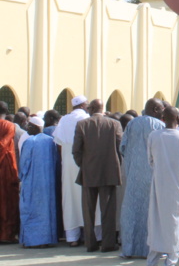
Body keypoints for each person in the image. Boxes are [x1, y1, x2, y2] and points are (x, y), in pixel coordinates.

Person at [146, 106, 179, 266]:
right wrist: (178, 174)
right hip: (177, 186)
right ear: (177, 119)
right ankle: (170, 263)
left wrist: (161, 171)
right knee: (175, 220)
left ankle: (151, 262)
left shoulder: (154, 136)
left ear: (163, 118)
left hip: (158, 184)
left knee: (156, 220)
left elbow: (150, 160)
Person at [72, 99, 123, 252]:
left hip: (89, 172)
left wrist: (84, 164)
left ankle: (90, 243)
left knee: (88, 210)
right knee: (108, 210)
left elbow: (76, 150)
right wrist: (115, 165)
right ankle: (107, 244)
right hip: (109, 172)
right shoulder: (114, 124)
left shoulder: (82, 125)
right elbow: (120, 147)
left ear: (92, 108)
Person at [120, 98, 165, 258]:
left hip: (133, 177)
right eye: (161, 109)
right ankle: (150, 250)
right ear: (154, 109)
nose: (163, 112)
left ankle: (129, 249)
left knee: (132, 213)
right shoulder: (159, 126)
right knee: (151, 212)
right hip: (153, 176)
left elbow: (122, 147)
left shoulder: (132, 124)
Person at [52, 95, 93, 246]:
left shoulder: (64, 120)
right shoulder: (87, 118)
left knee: (69, 198)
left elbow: (58, 142)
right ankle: (92, 234)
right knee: (89, 196)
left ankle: (72, 237)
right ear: (83, 105)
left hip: (68, 161)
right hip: (86, 159)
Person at [19, 116, 57, 247]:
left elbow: (24, 164)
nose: (27, 128)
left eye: (30, 126)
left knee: (30, 209)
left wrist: (20, 178)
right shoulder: (51, 141)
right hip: (48, 183)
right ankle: (47, 239)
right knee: (47, 210)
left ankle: (32, 240)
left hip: (32, 183)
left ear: (36, 127)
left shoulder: (30, 142)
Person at [0, 101, 19, 243]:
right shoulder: (9, 126)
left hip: (5, 166)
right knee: (7, 201)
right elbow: (3, 145)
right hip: (5, 167)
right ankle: (7, 234)